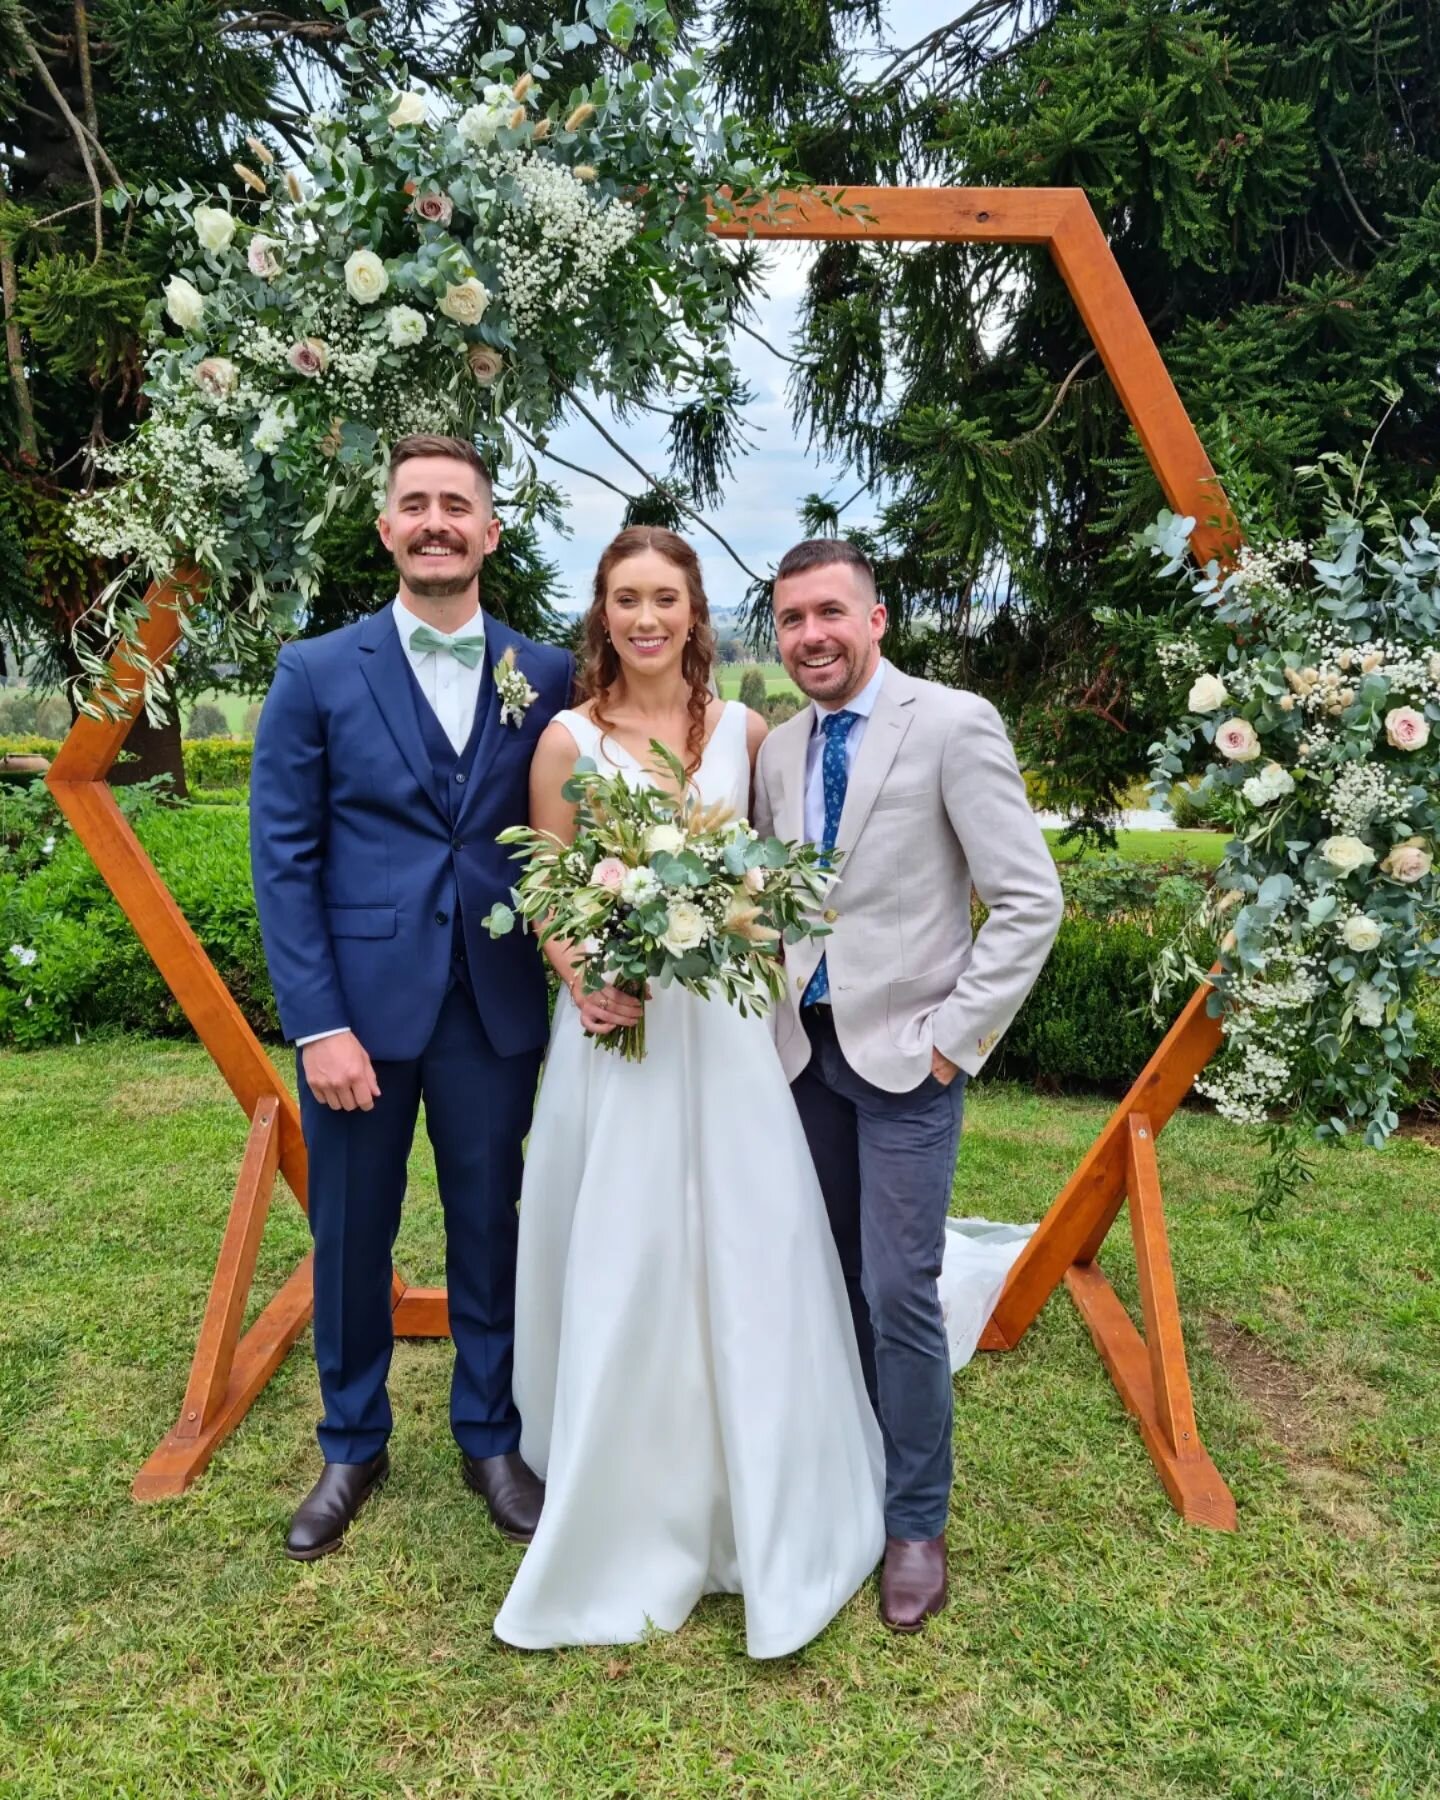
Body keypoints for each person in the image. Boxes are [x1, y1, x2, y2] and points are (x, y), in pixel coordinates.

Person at [492, 527, 885, 1659]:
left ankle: (759, 1476)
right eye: (626, 598)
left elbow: (761, 882)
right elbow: (551, 888)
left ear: (696, 611)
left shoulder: (747, 735)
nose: (646, 617)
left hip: (719, 1036)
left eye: (666, 597)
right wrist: (584, 975)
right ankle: (621, 1478)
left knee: (748, 1244)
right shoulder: (566, 742)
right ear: (603, 613)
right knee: (629, 1245)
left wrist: (732, 944)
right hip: (616, 1039)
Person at [250, 434, 574, 1560]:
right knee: (350, 1233)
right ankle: (353, 1441)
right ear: (385, 528)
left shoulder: (548, 675)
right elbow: (283, 860)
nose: (436, 522)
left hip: (492, 1007)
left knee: (492, 1223)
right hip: (358, 1018)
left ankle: (491, 1434)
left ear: (491, 530)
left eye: (458, 506)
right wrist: (318, 1024)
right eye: (414, 504)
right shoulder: (316, 672)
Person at [753, 538, 1063, 1633]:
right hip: (804, 1057)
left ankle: (915, 1521)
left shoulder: (951, 723)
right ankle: (843, 1476)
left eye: (829, 613)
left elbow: (1028, 901)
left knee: (899, 1292)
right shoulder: (779, 751)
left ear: (875, 619)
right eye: (791, 620)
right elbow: (775, 897)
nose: (811, 637)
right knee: (828, 1279)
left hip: (906, 1065)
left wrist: (951, 1042)